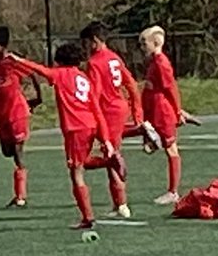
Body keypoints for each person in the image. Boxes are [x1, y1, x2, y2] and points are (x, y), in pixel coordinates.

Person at [7, 43, 120, 229]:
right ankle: (108, 162)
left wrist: (18, 60)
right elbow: (97, 109)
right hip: (91, 124)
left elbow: (39, 70)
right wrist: (105, 139)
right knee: (81, 164)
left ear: (59, 62)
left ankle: (87, 217)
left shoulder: (60, 74)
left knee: (76, 172)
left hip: (75, 128)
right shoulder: (83, 77)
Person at [79, 21, 144, 219]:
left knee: (110, 155)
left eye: (86, 43)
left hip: (107, 112)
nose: (84, 48)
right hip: (119, 107)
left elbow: (96, 93)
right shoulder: (114, 58)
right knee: (109, 152)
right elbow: (131, 83)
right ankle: (118, 204)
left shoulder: (94, 63)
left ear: (95, 41)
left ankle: (122, 205)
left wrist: (88, 109)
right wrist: (137, 111)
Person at [0, 26, 42, 208]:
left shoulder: (12, 61)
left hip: (17, 113)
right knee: (7, 151)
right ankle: (20, 190)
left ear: (3, 45)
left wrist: (37, 97)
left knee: (18, 154)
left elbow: (32, 73)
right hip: (2, 116)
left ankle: (21, 195)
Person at [139, 25, 194, 204]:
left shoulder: (161, 63)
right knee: (163, 146)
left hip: (162, 112)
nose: (142, 48)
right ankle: (151, 140)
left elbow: (170, 88)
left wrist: (177, 111)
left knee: (172, 150)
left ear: (155, 43)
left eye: (144, 43)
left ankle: (173, 192)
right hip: (154, 111)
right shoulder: (154, 62)